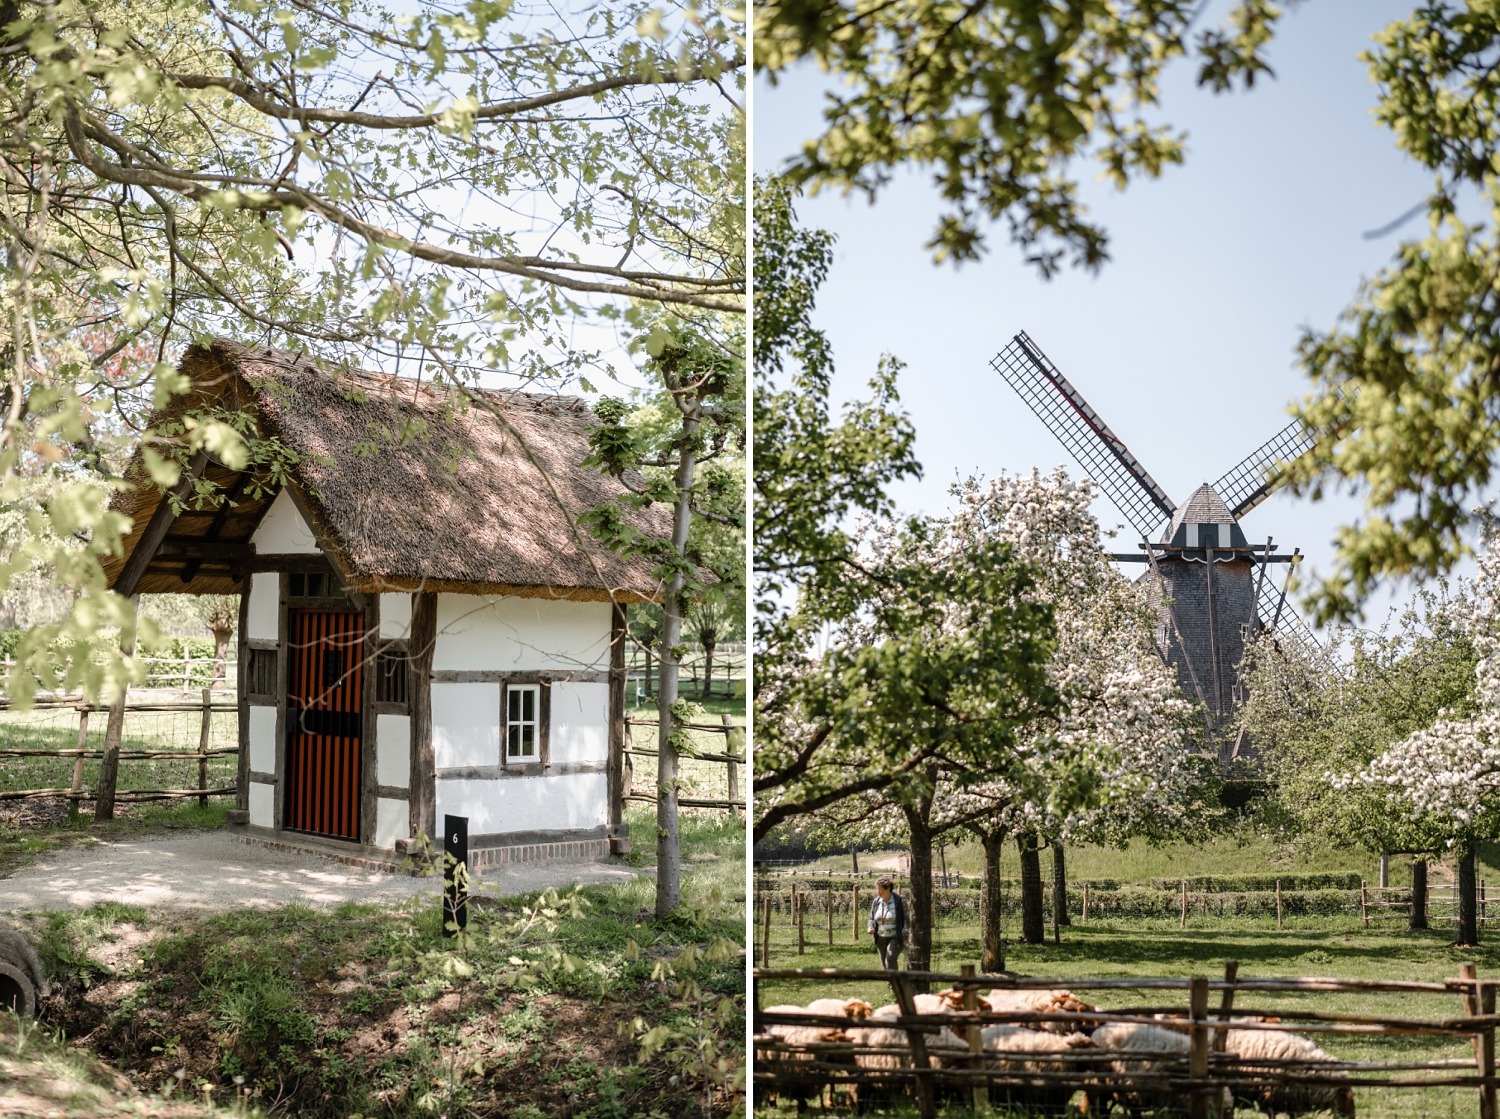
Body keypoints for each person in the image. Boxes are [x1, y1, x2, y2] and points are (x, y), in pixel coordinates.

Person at [867, 876, 908, 969]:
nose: (877, 892)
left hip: (896, 937)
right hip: (880, 938)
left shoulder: (900, 901)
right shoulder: (876, 902)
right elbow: (871, 918)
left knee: (890, 959)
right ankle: (892, 983)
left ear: (888, 889)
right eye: (877, 889)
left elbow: (906, 919)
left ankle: (895, 983)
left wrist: (905, 934)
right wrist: (871, 926)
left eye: (879, 889)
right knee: (884, 965)